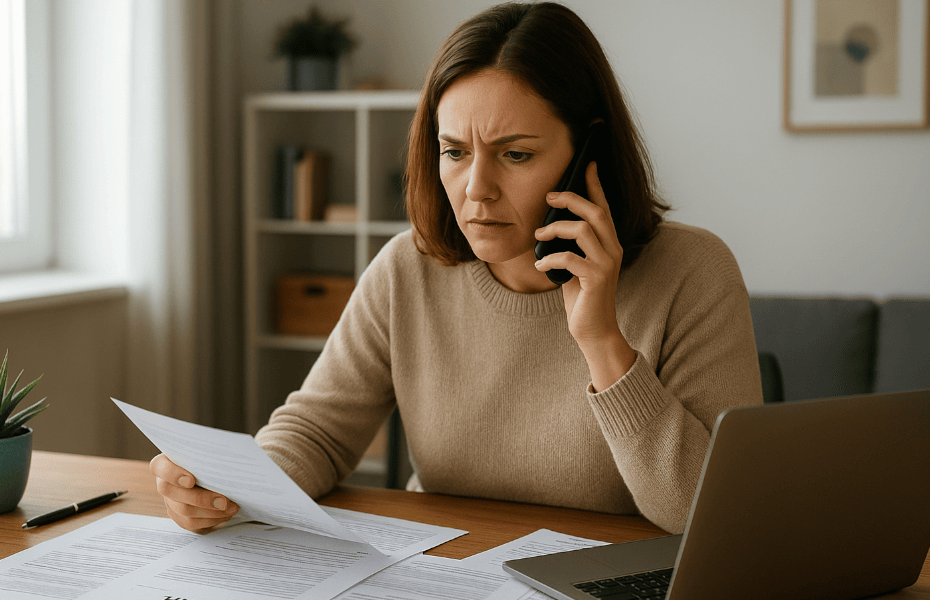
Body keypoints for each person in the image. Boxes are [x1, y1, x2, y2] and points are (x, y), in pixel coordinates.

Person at [151, 1, 762, 535]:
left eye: (515, 154)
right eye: (455, 151)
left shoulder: (693, 272)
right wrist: (230, 488)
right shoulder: (406, 269)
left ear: (589, 154)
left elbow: (709, 516)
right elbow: (317, 432)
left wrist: (603, 343)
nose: (476, 189)